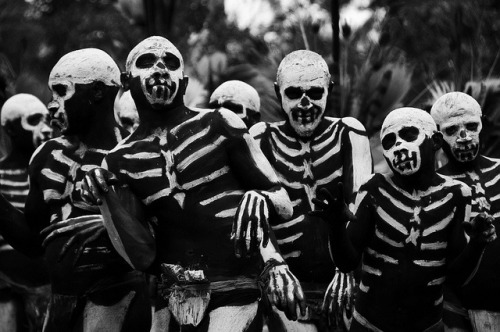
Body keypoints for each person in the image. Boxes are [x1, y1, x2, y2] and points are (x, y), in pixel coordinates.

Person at [81, 36, 305, 332]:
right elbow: (142, 257)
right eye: (147, 62)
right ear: (126, 80)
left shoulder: (221, 124)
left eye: (170, 63)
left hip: (234, 287)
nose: (160, 68)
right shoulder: (119, 160)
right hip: (172, 293)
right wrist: (106, 198)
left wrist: (261, 199)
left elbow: (283, 203)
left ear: (183, 82)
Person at [0, 48, 152, 331]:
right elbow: (33, 242)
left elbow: (156, 242)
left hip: (118, 300)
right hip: (60, 303)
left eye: (61, 92)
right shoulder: (45, 156)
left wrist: (108, 220)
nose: (52, 105)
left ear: (96, 92)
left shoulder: (134, 156)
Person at [312, 107, 496, 332]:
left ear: (435, 141)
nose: (398, 146)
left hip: (427, 326)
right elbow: (347, 261)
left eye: (408, 135)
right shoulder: (374, 189)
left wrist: (477, 244)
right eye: (389, 142)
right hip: (370, 324)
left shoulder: (457, 194)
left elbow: (457, 278)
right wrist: (336, 226)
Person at [250, 49, 372, 331]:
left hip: (345, 283)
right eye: (294, 93)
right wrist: (274, 265)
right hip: (286, 288)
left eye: (315, 92)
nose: (305, 103)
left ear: (329, 90)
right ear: (278, 92)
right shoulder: (261, 137)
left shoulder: (349, 133)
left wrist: (346, 270)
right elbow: (256, 211)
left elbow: (361, 201)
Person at [431, 92, 500, 332]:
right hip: (460, 308)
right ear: (438, 137)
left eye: (471, 127)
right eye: (452, 130)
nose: (464, 137)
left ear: (481, 124)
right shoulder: (436, 187)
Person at [0, 93, 52, 331]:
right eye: (34, 120)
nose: (46, 128)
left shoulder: (54, 174)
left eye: (48, 120)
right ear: (10, 128)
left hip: (50, 286)